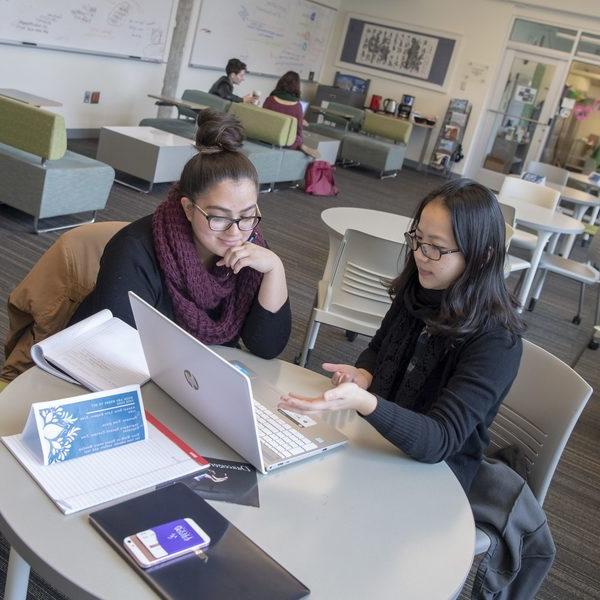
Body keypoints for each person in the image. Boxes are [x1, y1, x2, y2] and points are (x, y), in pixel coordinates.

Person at [280, 179, 525, 492]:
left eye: (437, 248)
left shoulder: (496, 341)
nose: (421, 255)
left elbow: (441, 440)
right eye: (418, 239)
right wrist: (365, 375)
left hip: (437, 477)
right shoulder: (420, 288)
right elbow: (378, 348)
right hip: (380, 442)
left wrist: (366, 402)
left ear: (483, 255)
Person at [71, 109, 291, 359]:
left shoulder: (250, 246)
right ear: (188, 208)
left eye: (248, 215)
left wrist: (275, 267)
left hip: (192, 375)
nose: (235, 231)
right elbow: (117, 351)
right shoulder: (134, 251)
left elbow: (267, 346)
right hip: (107, 369)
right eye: (219, 217)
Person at [262, 71, 320, 159]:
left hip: (267, 138)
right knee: (297, 138)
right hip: (286, 142)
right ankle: (302, 147)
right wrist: (301, 144)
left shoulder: (269, 100)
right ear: (297, 87)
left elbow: (264, 120)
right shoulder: (297, 106)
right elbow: (298, 131)